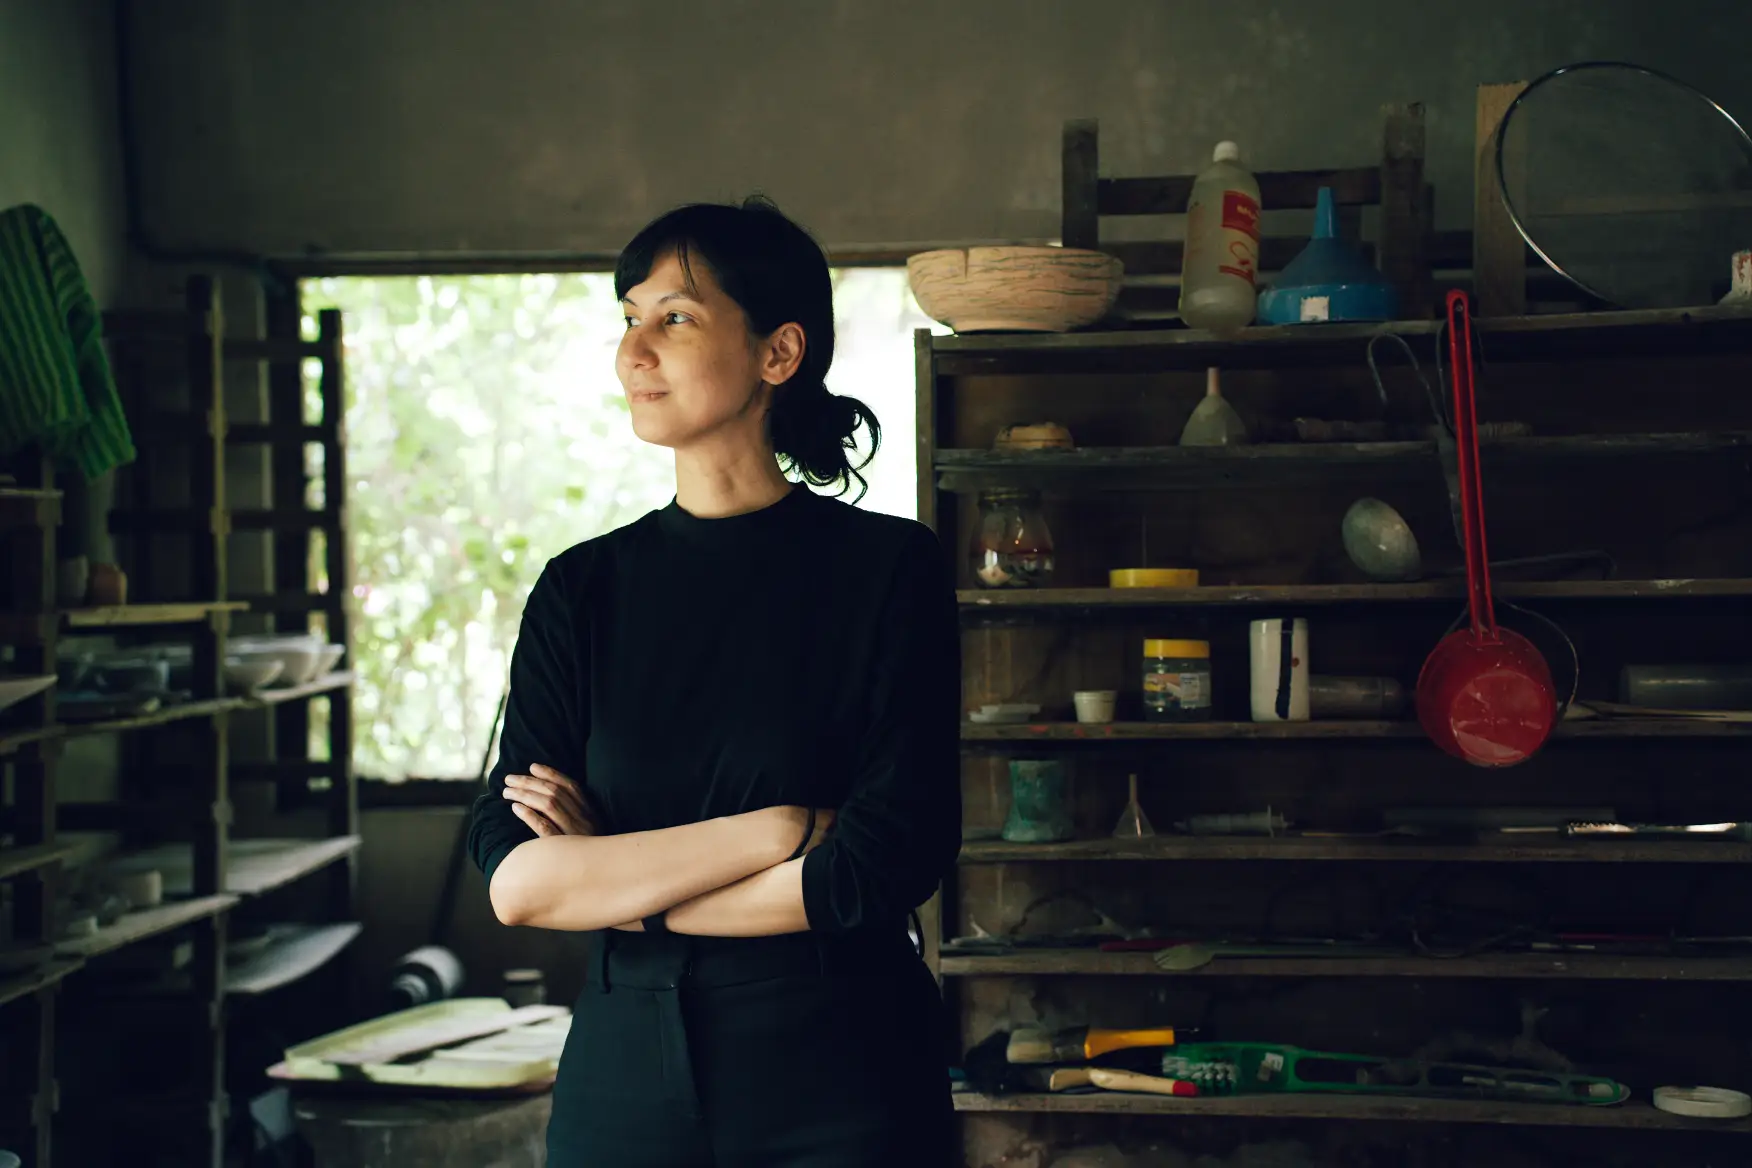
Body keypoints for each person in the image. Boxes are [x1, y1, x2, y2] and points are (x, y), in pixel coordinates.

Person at [467, 197, 962, 1167]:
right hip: (628, 1067)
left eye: (676, 318)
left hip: (845, 1063)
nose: (633, 351)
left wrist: (612, 879)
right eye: (629, 318)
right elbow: (517, 879)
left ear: (780, 354)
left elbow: (879, 865)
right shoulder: (583, 590)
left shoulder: (887, 572)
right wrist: (770, 831)